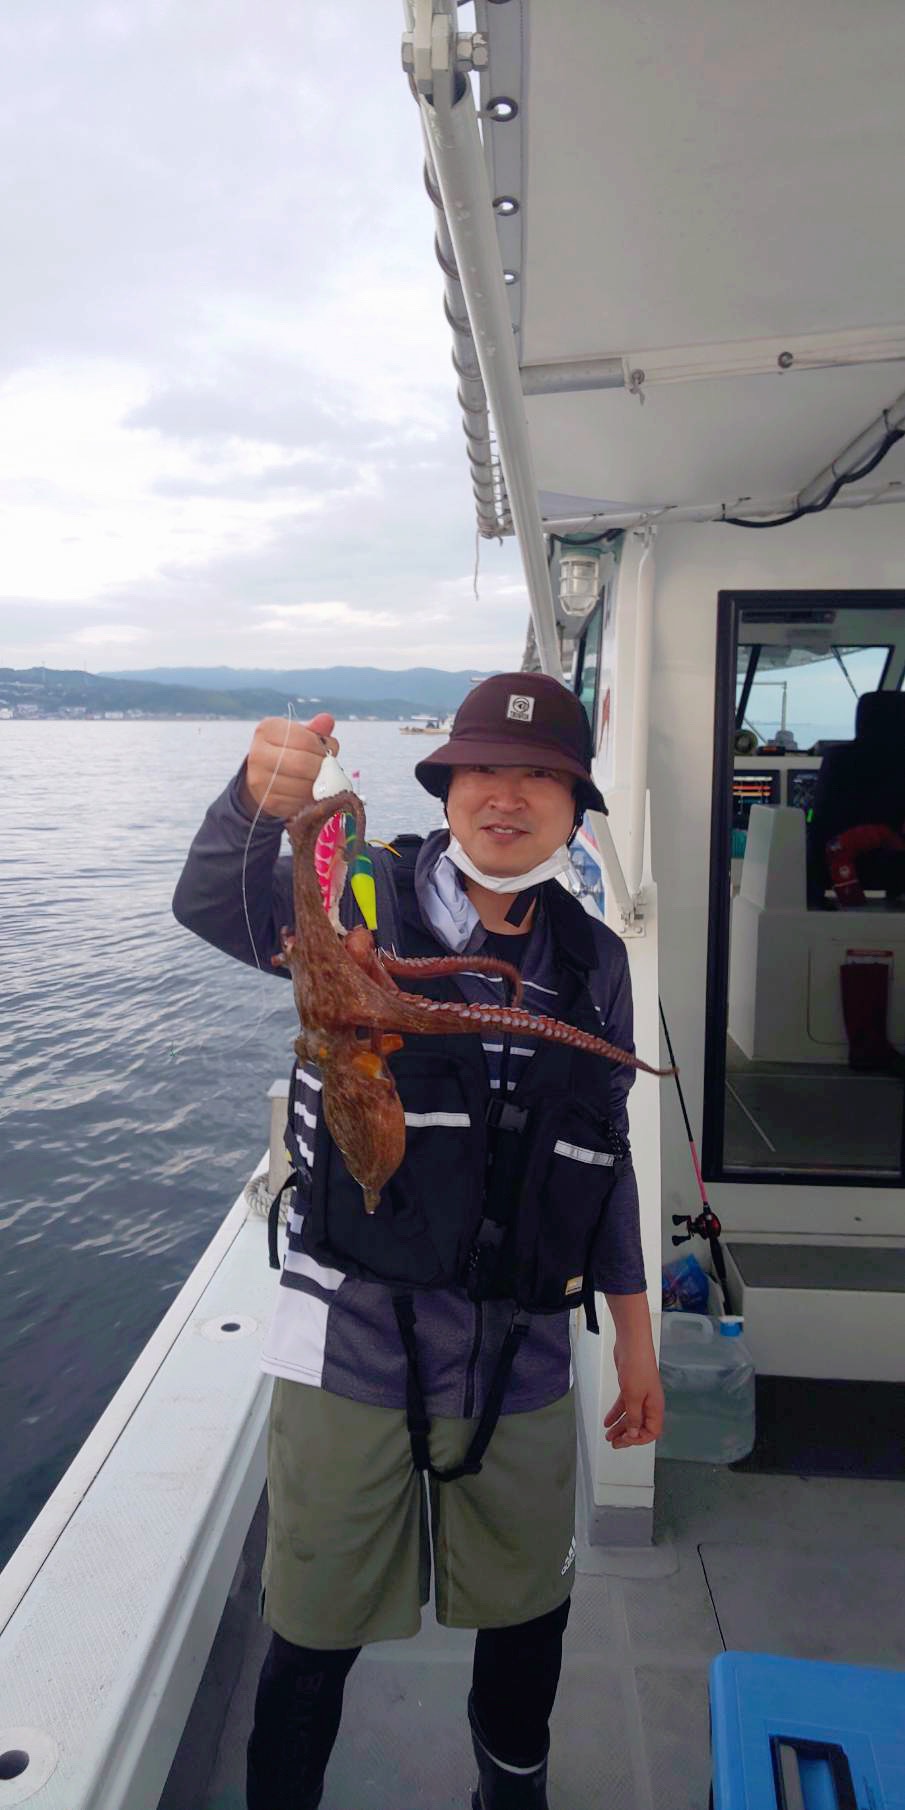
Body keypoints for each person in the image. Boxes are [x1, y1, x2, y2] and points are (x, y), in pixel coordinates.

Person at [172, 671, 664, 1810]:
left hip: (521, 1348)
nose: (507, 795)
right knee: (312, 1632)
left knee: (528, 1620)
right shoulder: (356, 899)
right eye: (483, 768)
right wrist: (253, 802)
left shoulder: (593, 961)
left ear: (575, 805)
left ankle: (509, 1793)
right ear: (444, 787)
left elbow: (602, 1153)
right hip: (349, 1340)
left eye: (540, 775)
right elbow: (212, 904)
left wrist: (637, 1342)